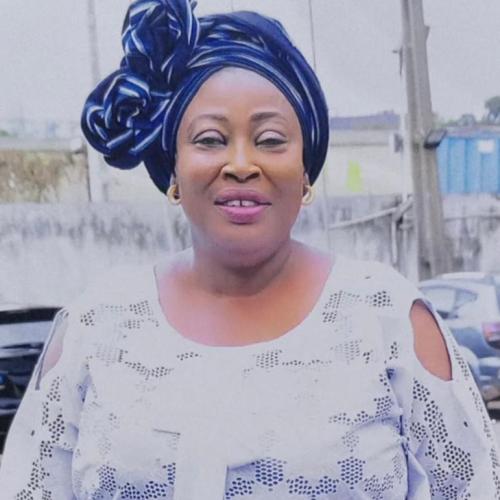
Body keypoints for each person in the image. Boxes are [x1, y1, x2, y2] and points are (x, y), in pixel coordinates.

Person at [1, 1, 499, 498]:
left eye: (271, 139)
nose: (241, 164)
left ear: (306, 170)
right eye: (210, 139)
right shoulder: (97, 327)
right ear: (173, 168)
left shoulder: (386, 321)